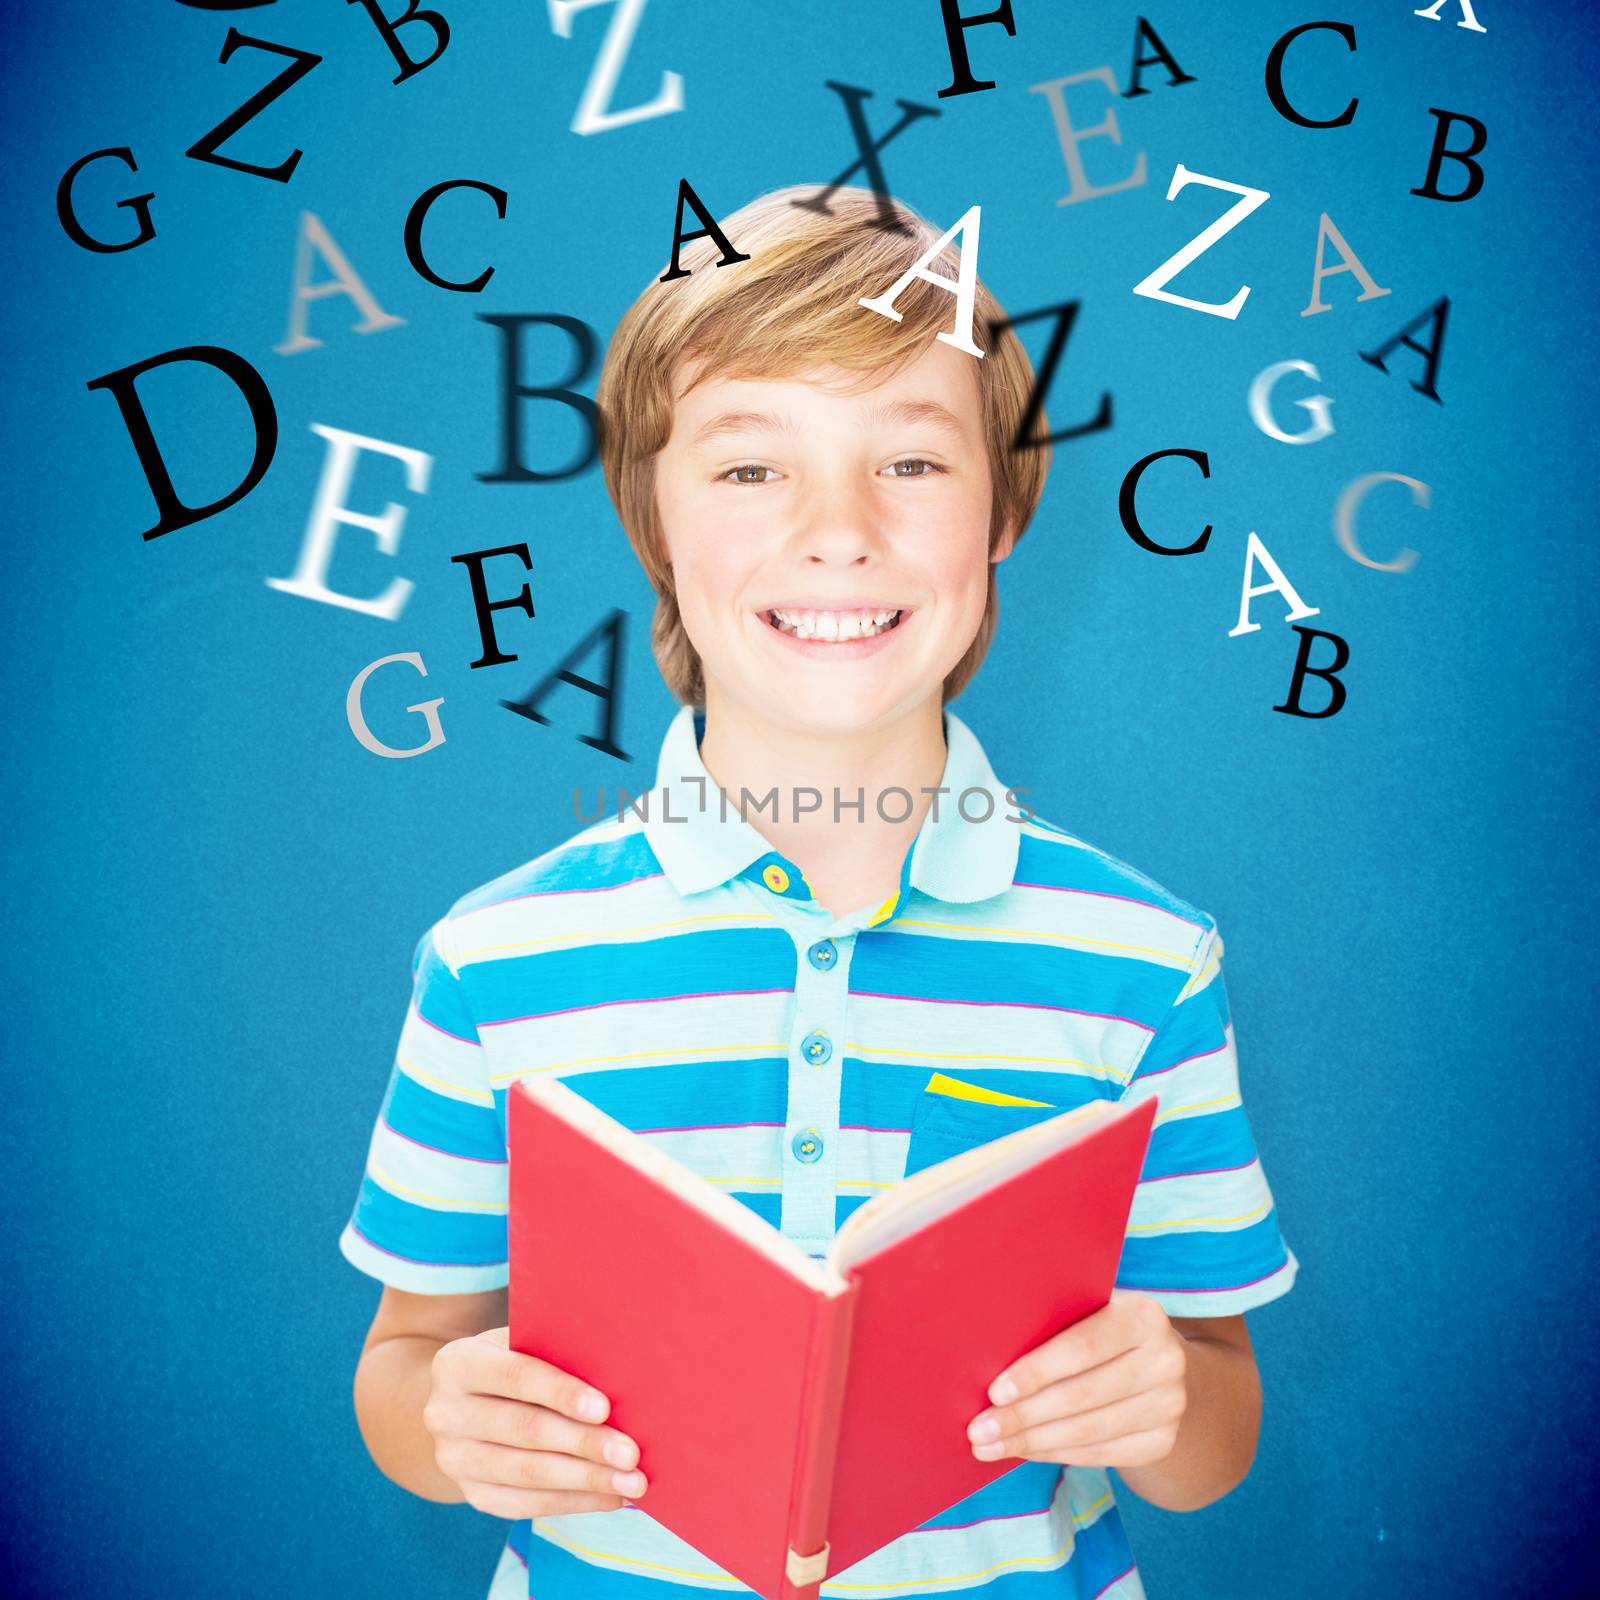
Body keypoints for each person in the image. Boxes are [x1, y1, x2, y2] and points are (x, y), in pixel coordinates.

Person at [339, 184, 1299, 1600]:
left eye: (910, 463)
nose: (837, 530)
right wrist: (445, 1420)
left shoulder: (1144, 960)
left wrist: (1162, 1399)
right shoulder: (496, 960)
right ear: (653, 519)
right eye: (748, 469)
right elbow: (405, 1365)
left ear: (1004, 513)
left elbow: (1215, 1419)